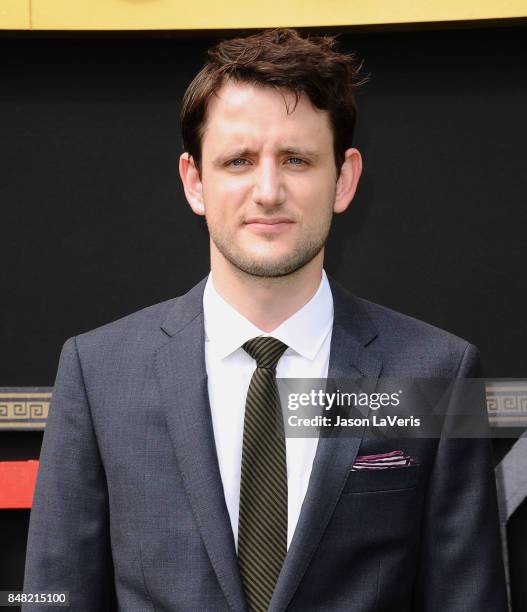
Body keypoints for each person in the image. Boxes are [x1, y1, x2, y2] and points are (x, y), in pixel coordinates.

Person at [23, 28, 507, 611]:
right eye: (239, 160)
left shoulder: (437, 372)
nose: (269, 190)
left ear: (344, 179)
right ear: (195, 181)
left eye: (297, 159)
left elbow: (468, 598)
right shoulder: (99, 374)